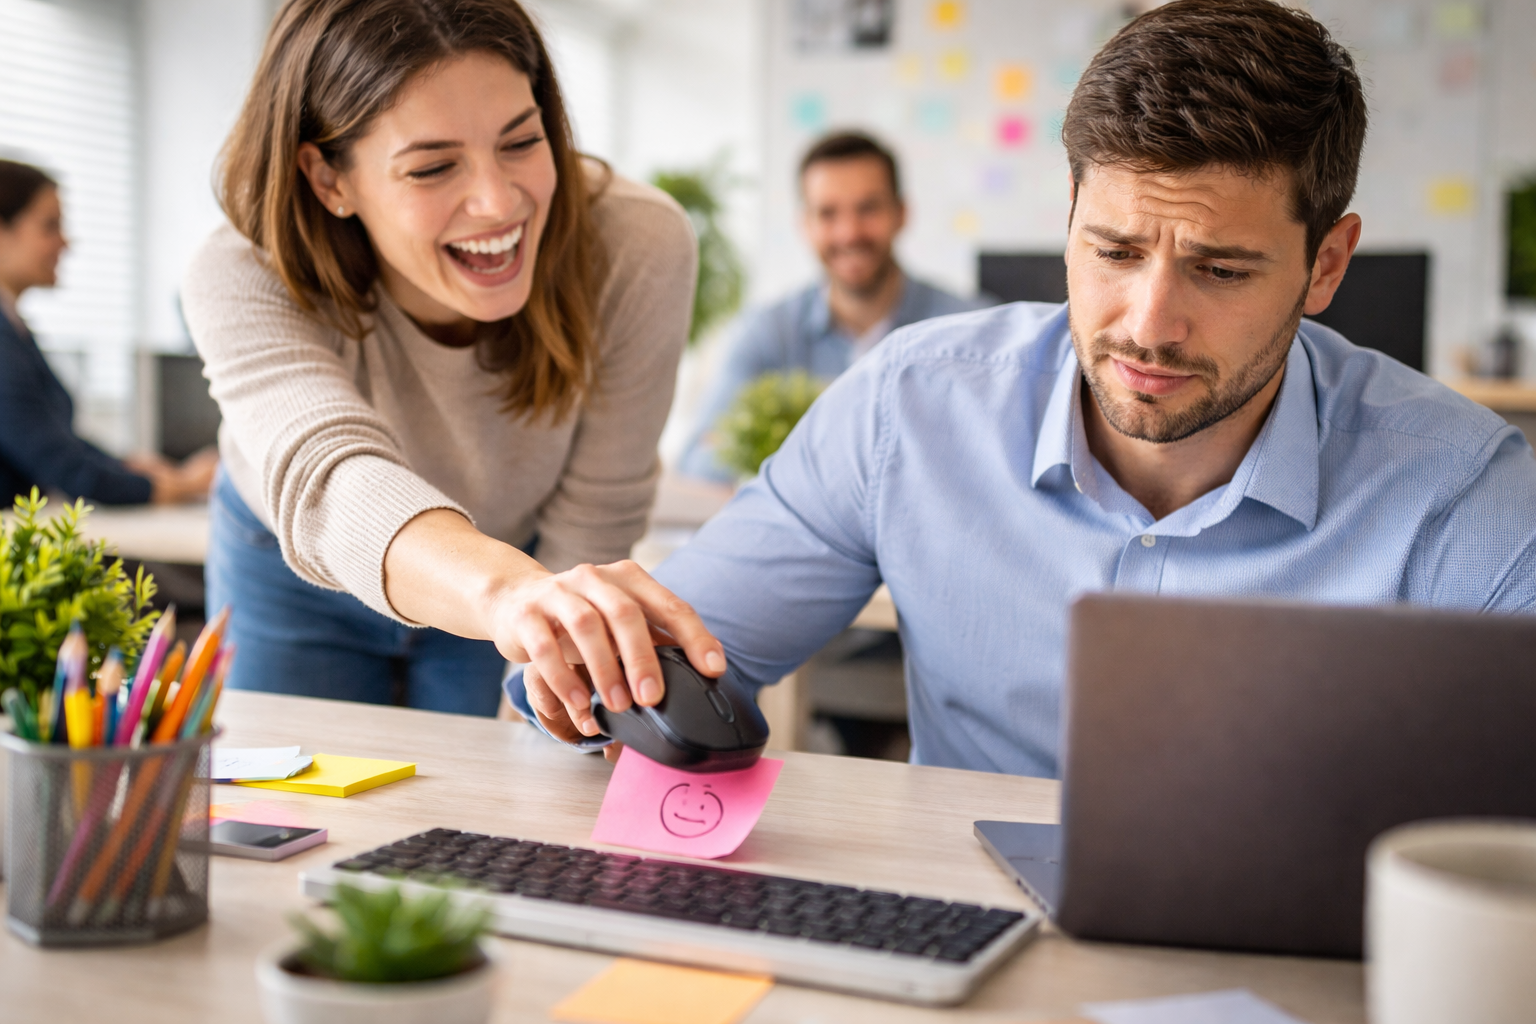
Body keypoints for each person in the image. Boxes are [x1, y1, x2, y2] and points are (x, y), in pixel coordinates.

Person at [514, 0, 1536, 776]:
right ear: (1068, 218)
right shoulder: (910, 408)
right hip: (959, 959)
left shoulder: (1461, 489)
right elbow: (669, 671)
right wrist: (583, 677)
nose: (1148, 322)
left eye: (1220, 270)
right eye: (1115, 249)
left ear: (1326, 266)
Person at [181, 0, 725, 718]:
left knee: (507, 791)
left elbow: (599, 506)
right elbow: (332, 480)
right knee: (297, 811)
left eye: (522, 142)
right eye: (434, 167)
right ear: (328, 180)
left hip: (520, 563)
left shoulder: (635, 244)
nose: (498, 202)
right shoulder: (245, 268)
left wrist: (550, 654)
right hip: (296, 569)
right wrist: (509, 595)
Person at [678, 131, 988, 481]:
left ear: (901, 213)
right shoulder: (767, 332)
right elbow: (698, 462)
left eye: (868, 209)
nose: (848, 233)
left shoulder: (972, 329)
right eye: (828, 213)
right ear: (806, 225)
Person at [0, 159, 216, 507]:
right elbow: (65, 467)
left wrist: (127, 467)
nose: (65, 243)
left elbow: (57, 440)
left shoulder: (13, 328)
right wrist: (184, 485)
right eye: (49, 226)